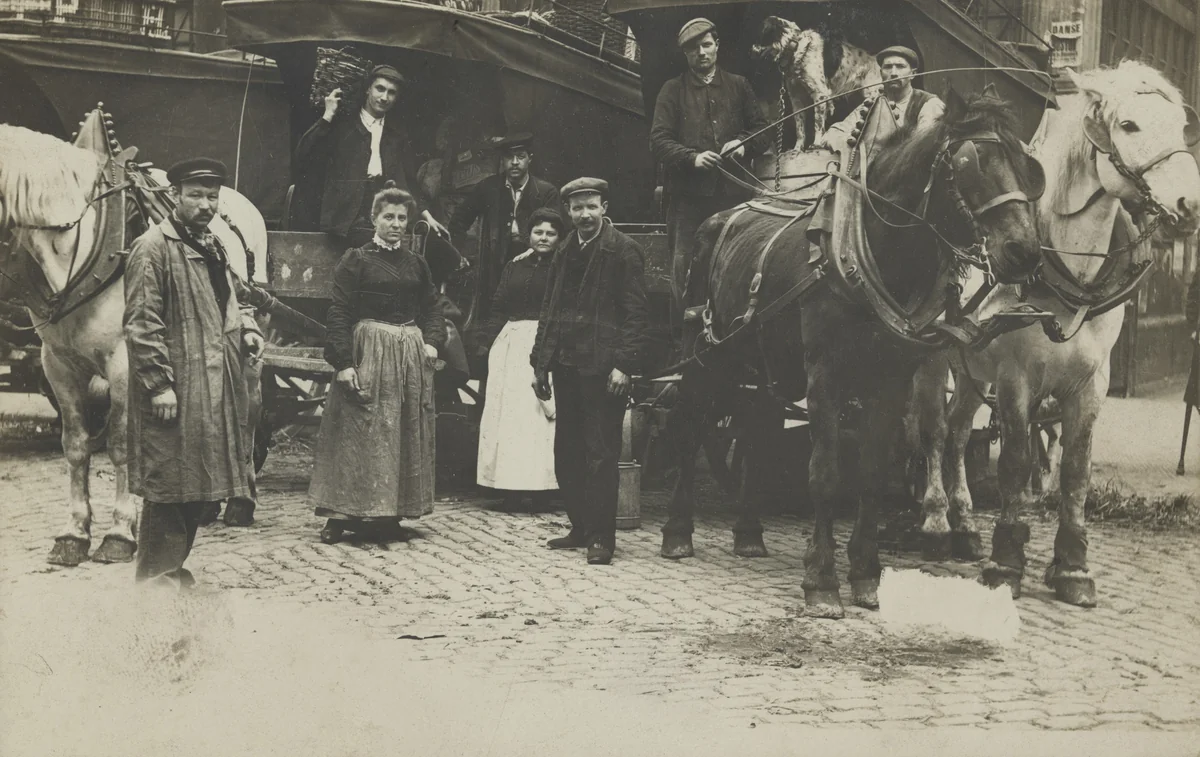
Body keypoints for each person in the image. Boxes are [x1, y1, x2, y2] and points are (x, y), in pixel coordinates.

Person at [124, 157, 266, 589]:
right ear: (175, 196)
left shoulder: (212, 244)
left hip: (212, 386)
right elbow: (141, 323)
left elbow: (231, 297)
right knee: (168, 487)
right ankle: (156, 587)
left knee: (194, 485)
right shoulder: (153, 248)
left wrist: (247, 328)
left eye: (212, 197)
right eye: (196, 195)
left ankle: (171, 580)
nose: (205, 204)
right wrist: (158, 385)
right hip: (176, 388)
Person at [308, 182, 445, 545]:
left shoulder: (417, 263)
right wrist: (343, 363)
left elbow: (433, 307)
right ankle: (339, 516)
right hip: (369, 351)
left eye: (402, 218)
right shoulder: (356, 259)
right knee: (358, 433)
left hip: (408, 357)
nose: (396, 224)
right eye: (389, 217)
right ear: (374, 219)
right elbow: (338, 311)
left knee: (399, 432)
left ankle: (389, 513)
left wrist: (431, 342)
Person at [531, 178, 650, 565]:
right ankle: (580, 527)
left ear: (604, 207)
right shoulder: (565, 251)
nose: (585, 214)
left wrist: (624, 365)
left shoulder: (623, 251)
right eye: (577, 208)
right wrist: (541, 365)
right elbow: (549, 310)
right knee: (567, 452)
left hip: (603, 370)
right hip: (567, 366)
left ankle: (602, 537)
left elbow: (636, 313)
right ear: (568, 211)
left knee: (601, 454)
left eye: (591, 206)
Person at [650, 18, 768, 307]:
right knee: (685, 270)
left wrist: (743, 144)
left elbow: (762, 131)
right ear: (686, 54)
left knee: (737, 265)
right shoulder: (672, 90)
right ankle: (684, 341)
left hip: (734, 197)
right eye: (693, 49)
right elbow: (658, 140)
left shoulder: (739, 86)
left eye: (706, 45)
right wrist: (692, 158)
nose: (701, 53)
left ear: (717, 46)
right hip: (687, 200)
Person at [296, 64, 449, 247]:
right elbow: (304, 155)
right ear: (368, 89)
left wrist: (426, 216)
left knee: (441, 248)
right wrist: (327, 116)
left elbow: (407, 182)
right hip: (345, 217)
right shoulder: (343, 124)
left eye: (391, 93)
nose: (384, 97)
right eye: (380, 89)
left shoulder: (396, 135)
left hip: (383, 210)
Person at [475, 208, 565, 511]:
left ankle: (542, 489)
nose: (543, 238)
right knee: (509, 417)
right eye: (538, 232)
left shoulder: (564, 267)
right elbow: (499, 304)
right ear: (529, 235)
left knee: (539, 419)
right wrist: (487, 342)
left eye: (550, 233)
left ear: (559, 238)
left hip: (545, 344)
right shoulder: (515, 266)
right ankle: (508, 487)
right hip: (510, 345)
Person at [448, 132, 560, 336]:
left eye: (521, 156)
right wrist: (459, 254)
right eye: (509, 157)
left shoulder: (545, 192)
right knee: (493, 322)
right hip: (495, 264)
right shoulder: (488, 187)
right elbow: (459, 220)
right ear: (503, 160)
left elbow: (559, 232)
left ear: (530, 159)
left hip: (536, 264)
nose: (515, 162)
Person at [817, 45, 946, 151]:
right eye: (888, 67)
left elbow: (922, 145)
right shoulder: (874, 103)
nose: (894, 73)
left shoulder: (928, 103)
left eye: (900, 67)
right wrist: (849, 145)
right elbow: (836, 131)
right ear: (881, 73)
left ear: (912, 74)